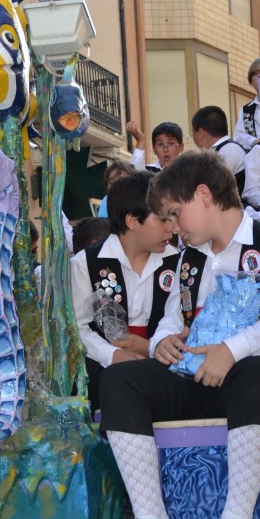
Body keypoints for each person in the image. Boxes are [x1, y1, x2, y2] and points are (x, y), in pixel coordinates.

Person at [85, 152, 260, 519]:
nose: (173, 227)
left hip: (247, 386)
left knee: (259, 372)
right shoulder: (187, 260)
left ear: (204, 195)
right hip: (192, 377)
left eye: (176, 213)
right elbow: (173, 319)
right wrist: (162, 342)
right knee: (119, 380)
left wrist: (233, 349)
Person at [71, 171, 178, 416]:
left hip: (162, 366)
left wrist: (150, 347)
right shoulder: (85, 263)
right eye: (163, 220)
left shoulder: (177, 262)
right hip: (103, 367)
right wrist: (114, 355)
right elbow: (78, 328)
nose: (172, 228)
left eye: (173, 217)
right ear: (132, 220)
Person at [190, 105, 245, 193]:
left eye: (193, 132)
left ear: (201, 133)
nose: (193, 136)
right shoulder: (224, 150)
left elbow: (211, 188)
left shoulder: (228, 151)